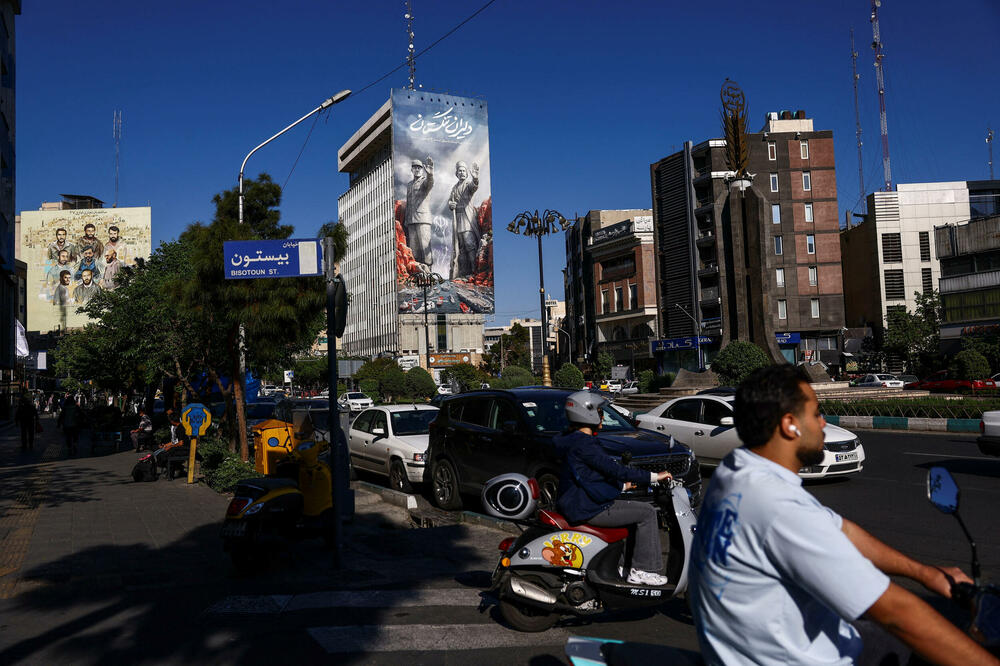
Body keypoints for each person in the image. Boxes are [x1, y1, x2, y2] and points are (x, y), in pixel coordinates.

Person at [688, 364, 996, 666]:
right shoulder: (778, 507)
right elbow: (896, 613)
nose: (823, 423)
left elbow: (841, 530)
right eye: (816, 413)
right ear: (789, 425)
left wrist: (922, 573)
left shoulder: (735, 472)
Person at [553, 390, 673, 586]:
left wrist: (621, 486)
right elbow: (615, 470)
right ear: (587, 413)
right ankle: (643, 570)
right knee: (647, 512)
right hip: (587, 507)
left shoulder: (570, 440)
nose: (602, 416)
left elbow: (589, 476)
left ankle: (623, 566)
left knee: (632, 510)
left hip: (579, 501)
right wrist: (654, 477)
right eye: (600, 412)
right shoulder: (585, 444)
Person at [448, 160, 481, 277]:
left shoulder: (468, 185)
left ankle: (474, 271)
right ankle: (464, 272)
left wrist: (475, 179)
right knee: (461, 247)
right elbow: (450, 201)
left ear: (467, 173)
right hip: (458, 219)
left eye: (463, 171)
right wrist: (450, 205)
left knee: (470, 245)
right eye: (459, 171)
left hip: (467, 219)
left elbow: (474, 187)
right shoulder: (454, 188)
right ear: (456, 173)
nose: (462, 173)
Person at [404, 156, 435, 267]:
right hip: (411, 220)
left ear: (422, 169)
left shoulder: (424, 182)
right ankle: (418, 274)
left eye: (419, 168)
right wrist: (407, 220)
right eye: (414, 167)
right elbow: (408, 203)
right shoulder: (409, 185)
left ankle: (429, 274)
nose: (417, 170)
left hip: (423, 219)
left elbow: (430, 183)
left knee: (425, 247)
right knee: (414, 250)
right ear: (411, 170)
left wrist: (430, 174)